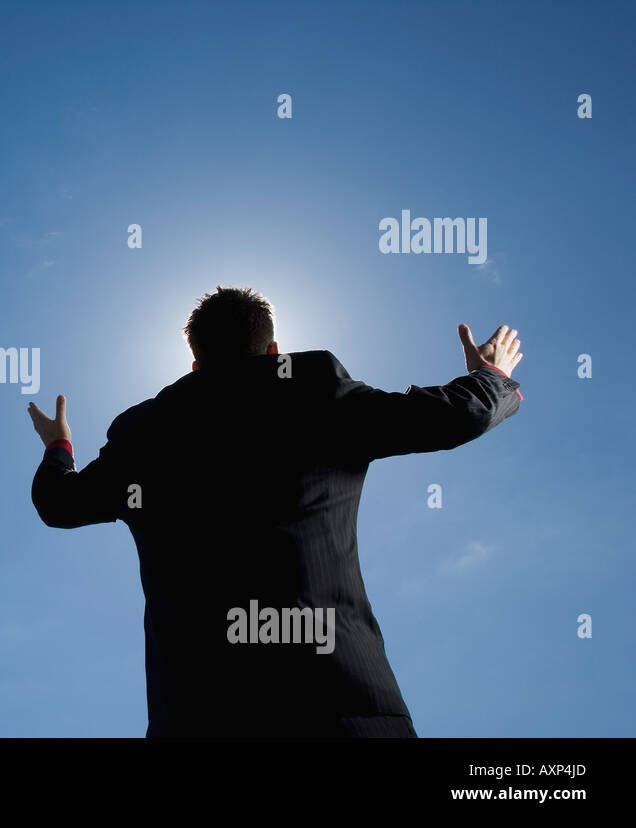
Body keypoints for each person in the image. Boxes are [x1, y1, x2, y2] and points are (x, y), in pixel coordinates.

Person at [26, 286, 523, 737]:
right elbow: (458, 414)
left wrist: (60, 447)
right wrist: (490, 374)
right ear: (272, 351)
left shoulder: (142, 437)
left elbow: (59, 503)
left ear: (195, 362)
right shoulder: (318, 393)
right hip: (342, 711)